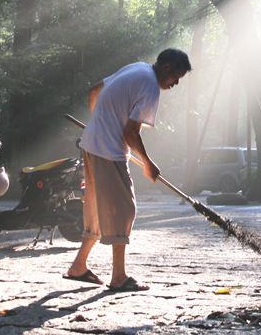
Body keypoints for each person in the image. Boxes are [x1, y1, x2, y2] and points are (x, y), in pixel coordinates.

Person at [64, 48, 192, 292]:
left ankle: (78, 266)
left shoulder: (137, 68)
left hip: (91, 144)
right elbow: (130, 132)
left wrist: (97, 123)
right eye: (176, 77)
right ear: (166, 68)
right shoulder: (150, 87)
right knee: (123, 208)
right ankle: (119, 277)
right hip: (108, 151)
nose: (175, 83)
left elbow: (94, 90)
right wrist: (148, 163)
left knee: (95, 207)